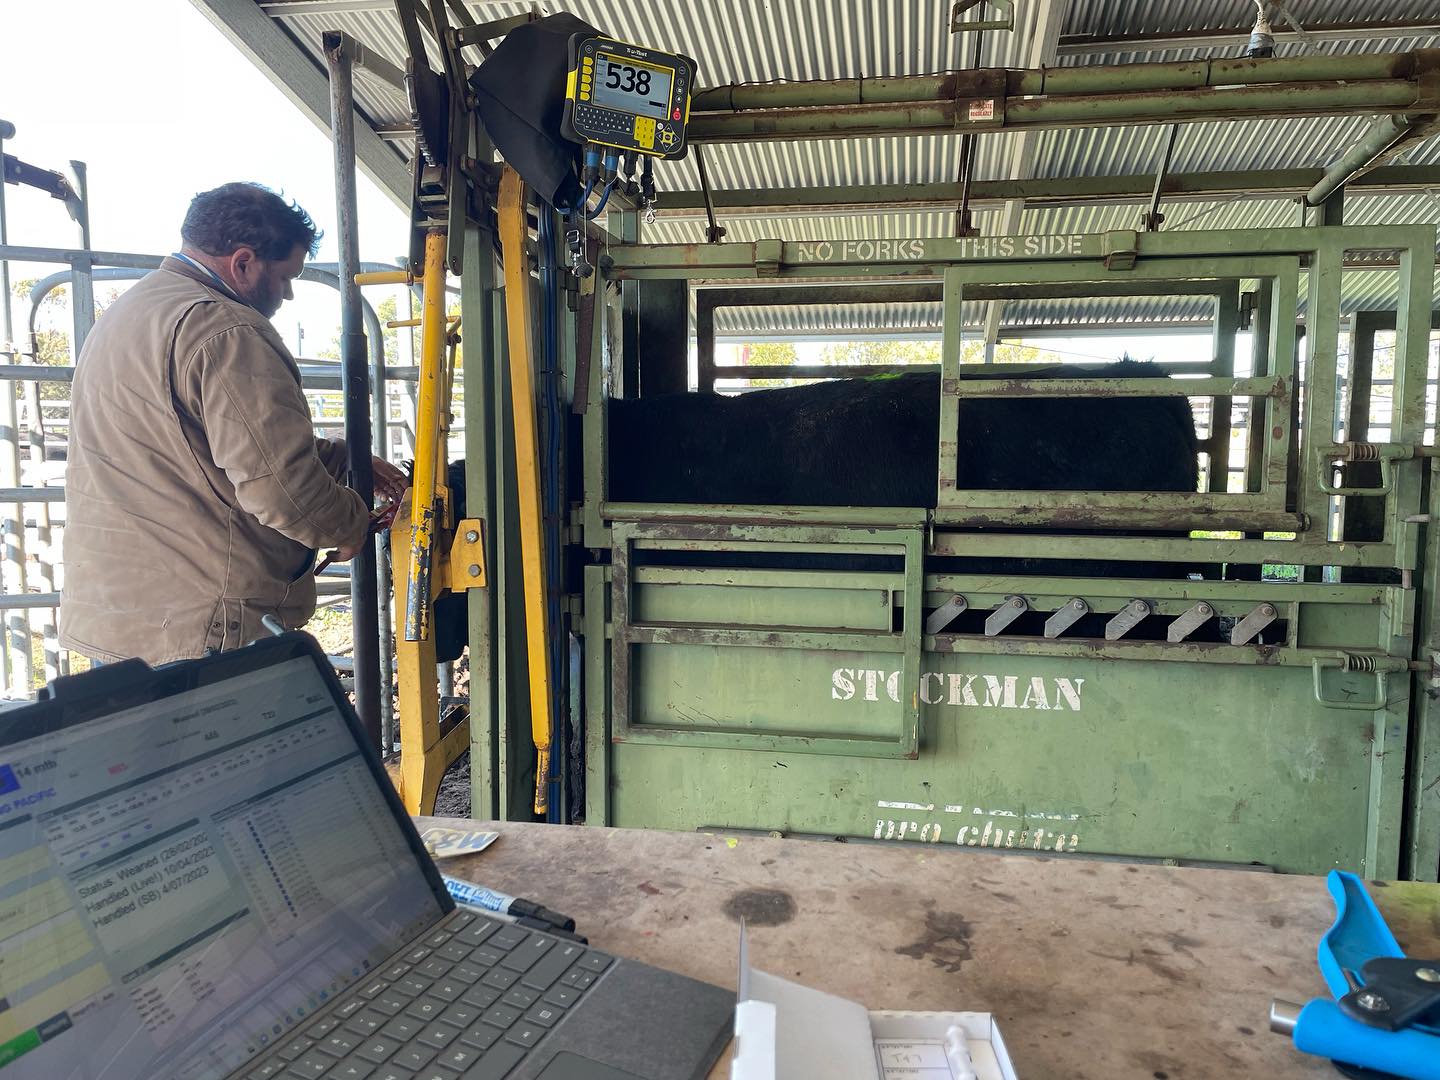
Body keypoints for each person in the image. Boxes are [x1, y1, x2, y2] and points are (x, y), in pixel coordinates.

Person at [59, 182, 406, 665]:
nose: (286, 293)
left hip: (123, 621)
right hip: (203, 628)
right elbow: (284, 492)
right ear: (243, 263)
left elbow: (190, 445)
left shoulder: (132, 311)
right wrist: (349, 524)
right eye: (286, 277)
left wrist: (342, 457)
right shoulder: (227, 330)